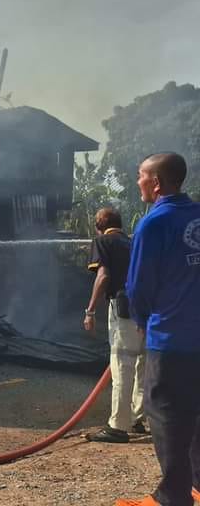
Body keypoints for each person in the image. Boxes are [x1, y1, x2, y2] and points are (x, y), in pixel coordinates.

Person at [116, 153, 200, 506]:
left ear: (157, 182)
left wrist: (141, 320)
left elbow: (138, 286)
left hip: (170, 338)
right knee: (196, 412)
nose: (138, 182)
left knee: (166, 415)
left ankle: (173, 497)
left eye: (140, 175)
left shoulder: (153, 223)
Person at [84, 207, 146, 443]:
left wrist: (90, 310)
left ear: (99, 226)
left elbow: (103, 276)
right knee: (142, 366)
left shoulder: (102, 241)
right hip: (145, 310)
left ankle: (118, 426)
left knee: (122, 365)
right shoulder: (132, 243)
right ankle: (136, 419)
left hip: (123, 309)